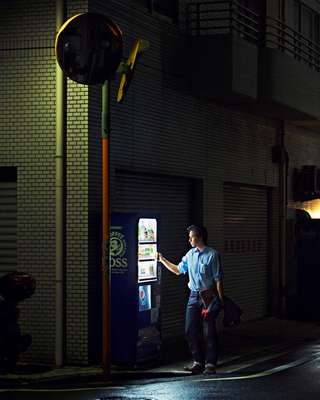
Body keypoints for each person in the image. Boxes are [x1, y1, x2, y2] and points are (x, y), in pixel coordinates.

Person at [157, 225, 224, 375]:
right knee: (190, 329)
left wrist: (220, 300)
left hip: (209, 296)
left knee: (209, 331)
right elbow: (178, 270)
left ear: (200, 237)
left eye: (191, 237)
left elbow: (218, 279)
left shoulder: (213, 255)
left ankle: (211, 363)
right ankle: (198, 361)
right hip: (193, 296)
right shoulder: (189, 255)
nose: (189, 240)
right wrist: (162, 260)